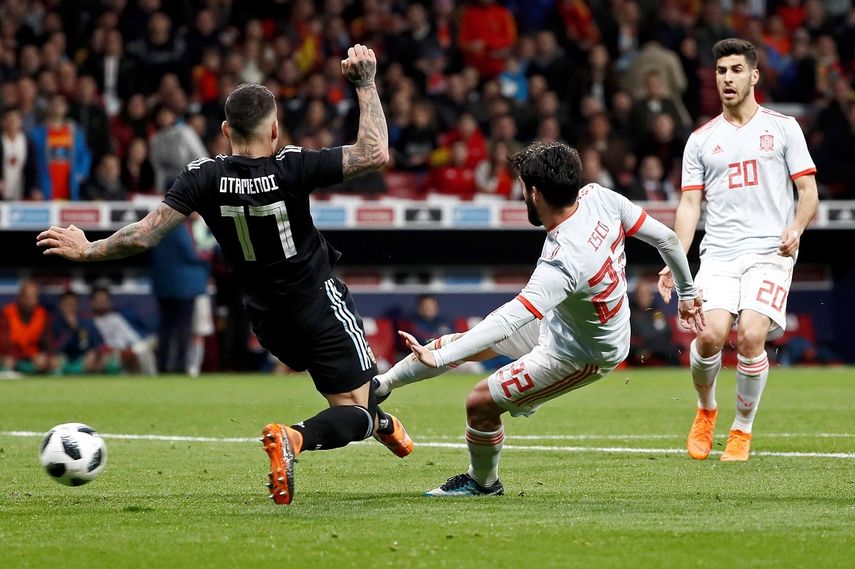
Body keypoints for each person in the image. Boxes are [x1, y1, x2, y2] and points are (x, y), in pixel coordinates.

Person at [37, 44, 412, 506]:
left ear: (225, 130)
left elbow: (145, 235)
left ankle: (384, 425)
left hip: (267, 318)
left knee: (361, 400)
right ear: (274, 130)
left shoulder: (202, 176)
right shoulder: (292, 165)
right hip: (317, 302)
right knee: (357, 410)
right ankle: (295, 438)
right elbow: (374, 153)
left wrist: (88, 248)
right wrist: (366, 83)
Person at [376, 141, 704, 496]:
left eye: (521, 187)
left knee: (479, 402)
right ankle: (381, 385)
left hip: (582, 353)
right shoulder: (599, 197)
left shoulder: (563, 261)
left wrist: (441, 358)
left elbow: (509, 320)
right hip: (566, 319)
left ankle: (483, 483)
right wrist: (687, 293)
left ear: (534, 193)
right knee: (460, 345)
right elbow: (668, 239)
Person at [657, 39, 819, 462]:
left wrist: (796, 228)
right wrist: (675, 260)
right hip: (720, 254)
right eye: (720, 71)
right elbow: (689, 205)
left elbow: (808, 192)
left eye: (735, 70)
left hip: (770, 252)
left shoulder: (783, 128)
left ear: (754, 75)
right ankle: (706, 409)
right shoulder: (701, 140)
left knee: (749, 336)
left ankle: (742, 429)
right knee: (710, 335)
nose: (727, 78)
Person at [90, 287, 157, 375]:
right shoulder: (90, 322)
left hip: (126, 349)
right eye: (99, 300)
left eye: (104, 300)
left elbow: (133, 337)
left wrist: (131, 349)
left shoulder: (115, 317)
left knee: (146, 348)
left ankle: (151, 379)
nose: (102, 302)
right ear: (92, 302)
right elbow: (97, 345)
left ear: (109, 301)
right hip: (109, 353)